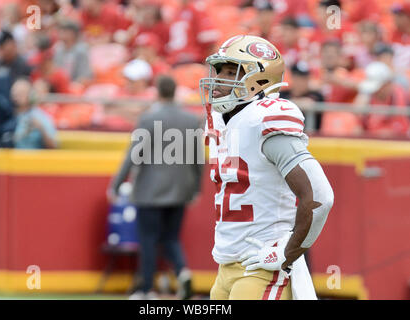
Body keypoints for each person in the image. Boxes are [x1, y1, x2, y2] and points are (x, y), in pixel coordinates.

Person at [199, 35, 334, 300]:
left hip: (261, 267)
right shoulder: (223, 121)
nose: (217, 80)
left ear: (258, 80)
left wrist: (287, 252)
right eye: (218, 71)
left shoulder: (264, 118)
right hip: (226, 268)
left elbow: (320, 197)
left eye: (230, 72)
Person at [109, 75, 203, 300]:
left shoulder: (148, 118)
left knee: (149, 240)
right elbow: (198, 159)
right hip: (181, 190)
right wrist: (196, 189)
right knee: (171, 238)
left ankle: (146, 289)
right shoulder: (191, 120)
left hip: (149, 191)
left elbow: (133, 154)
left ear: (158, 92)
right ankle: (183, 272)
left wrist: (116, 184)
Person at [354, 61, 409, 138]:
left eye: (379, 87)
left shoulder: (404, 96)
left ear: (388, 83)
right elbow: (358, 127)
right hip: (374, 144)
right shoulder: (366, 98)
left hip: (401, 143)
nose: (375, 91)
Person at [11, 78, 58, 149]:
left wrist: (41, 128)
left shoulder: (39, 116)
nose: (17, 97)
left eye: (21, 93)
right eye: (15, 93)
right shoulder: (7, 115)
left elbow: (53, 146)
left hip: (32, 159)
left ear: (31, 95)